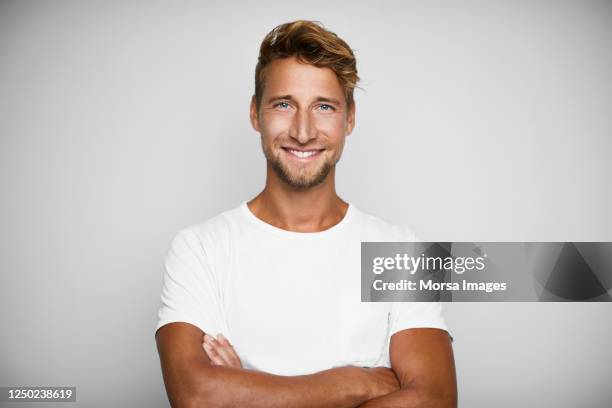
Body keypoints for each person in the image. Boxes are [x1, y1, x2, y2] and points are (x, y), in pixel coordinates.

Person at [154, 20, 457, 408]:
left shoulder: (402, 251)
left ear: (349, 118)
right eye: (284, 104)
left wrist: (247, 391)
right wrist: (353, 383)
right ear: (254, 114)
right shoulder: (199, 249)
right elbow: (197, 396)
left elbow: (435, 401)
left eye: (324, 107)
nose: (302, 131)